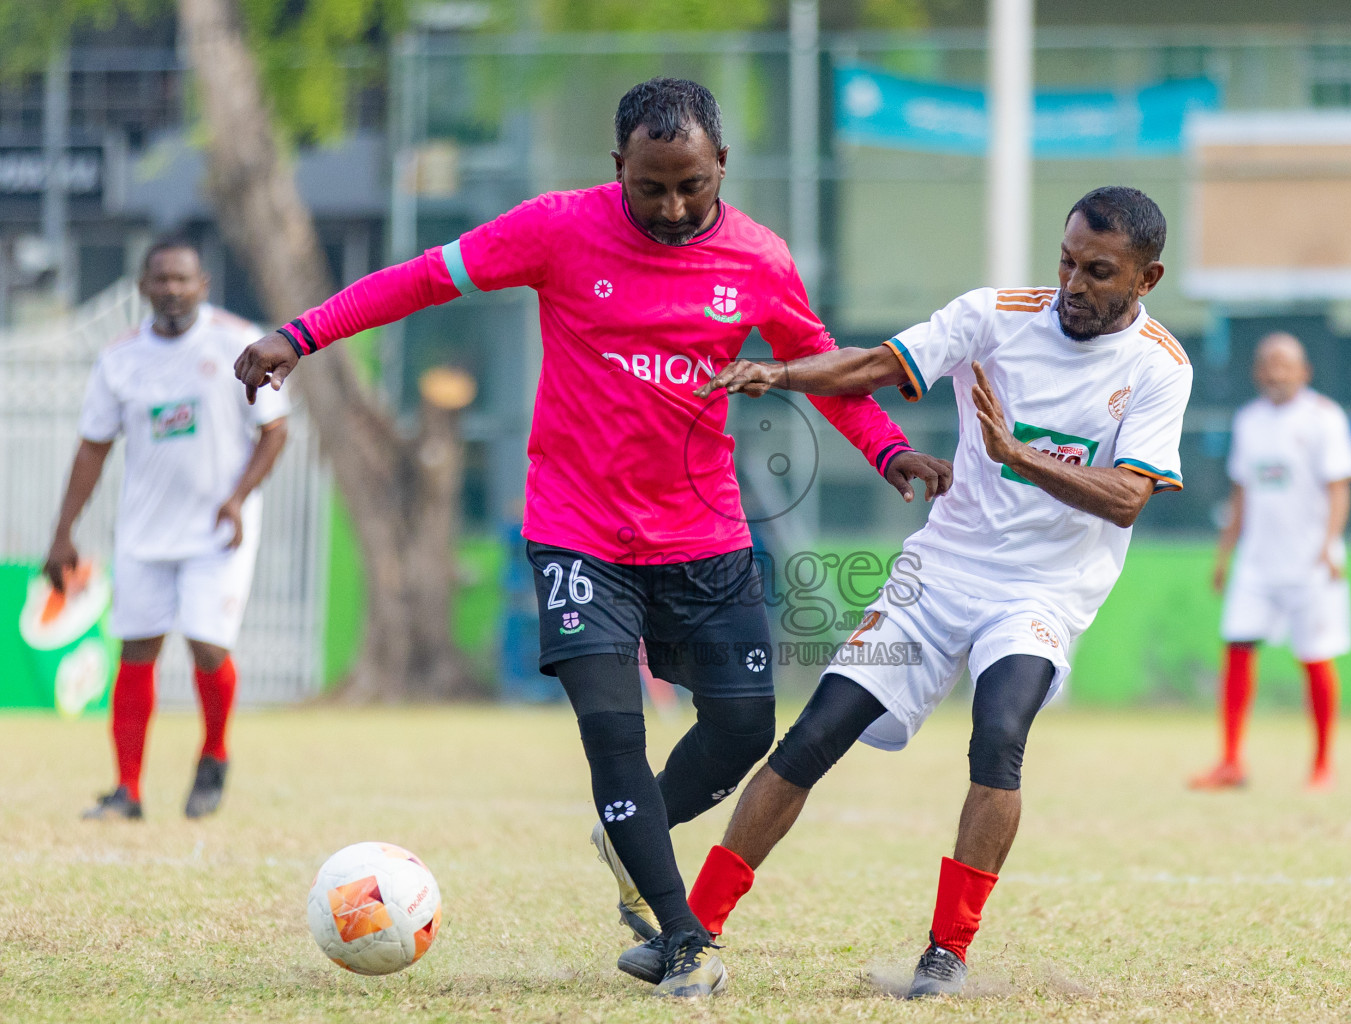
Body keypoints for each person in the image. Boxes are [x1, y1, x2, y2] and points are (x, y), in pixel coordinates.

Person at [232, 77, 951, 998]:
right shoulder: (557, 230)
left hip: (705, 536)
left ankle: (628, 829)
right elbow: (421, 279)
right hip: (578, 532)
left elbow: (826, 373)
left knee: (742, 730)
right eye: (652, 187)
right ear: (618, 168)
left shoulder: (759, 260)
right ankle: (684, 940)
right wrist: (303, 333)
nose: (675, 205)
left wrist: (889, 453)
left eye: (692, 184)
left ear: (721, 164)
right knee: (611, 738)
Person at [653, 186, 1192, 997]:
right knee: (813, 737)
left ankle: (946, 954)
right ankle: (692, 932)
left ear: (1146, 279)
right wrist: (779, 371)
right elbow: (875, 365)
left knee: (999, 733)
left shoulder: (1159, 367)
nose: (1074, 285)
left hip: (1044, 592)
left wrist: (1017, 455)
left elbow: (1127, 497)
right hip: (942, 571)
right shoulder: (995, 315)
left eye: (1099, 272)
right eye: (1067, 262)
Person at [48, 238, 290, 822]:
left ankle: (214, 755)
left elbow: (275, 430)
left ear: (202, 284)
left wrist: (237, 498)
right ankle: (127, 791)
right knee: (137, 648)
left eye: (183, 280)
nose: (172, 290)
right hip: (144, 531)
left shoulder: (238, 339)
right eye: (161, 280)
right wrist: (63, 533)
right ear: (143, 287)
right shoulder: (120, 358)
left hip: (217, 528)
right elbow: (92, 449)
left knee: (207, 644)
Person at [1190, 333, 1351, 792]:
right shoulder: (1248, 421)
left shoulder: (1324, 418)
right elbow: (1241, 492)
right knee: (1238, 649)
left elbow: (1339, 486)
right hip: (1257, 564)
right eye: (1266, 364)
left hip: (1310, 563)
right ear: (1255, 373)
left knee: (1315, 658)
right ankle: (1230, 761)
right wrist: (1225, 555)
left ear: (1303, 372)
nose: (1275, 372)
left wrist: (1329, 544)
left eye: (1284, 364)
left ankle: (1323, 764)